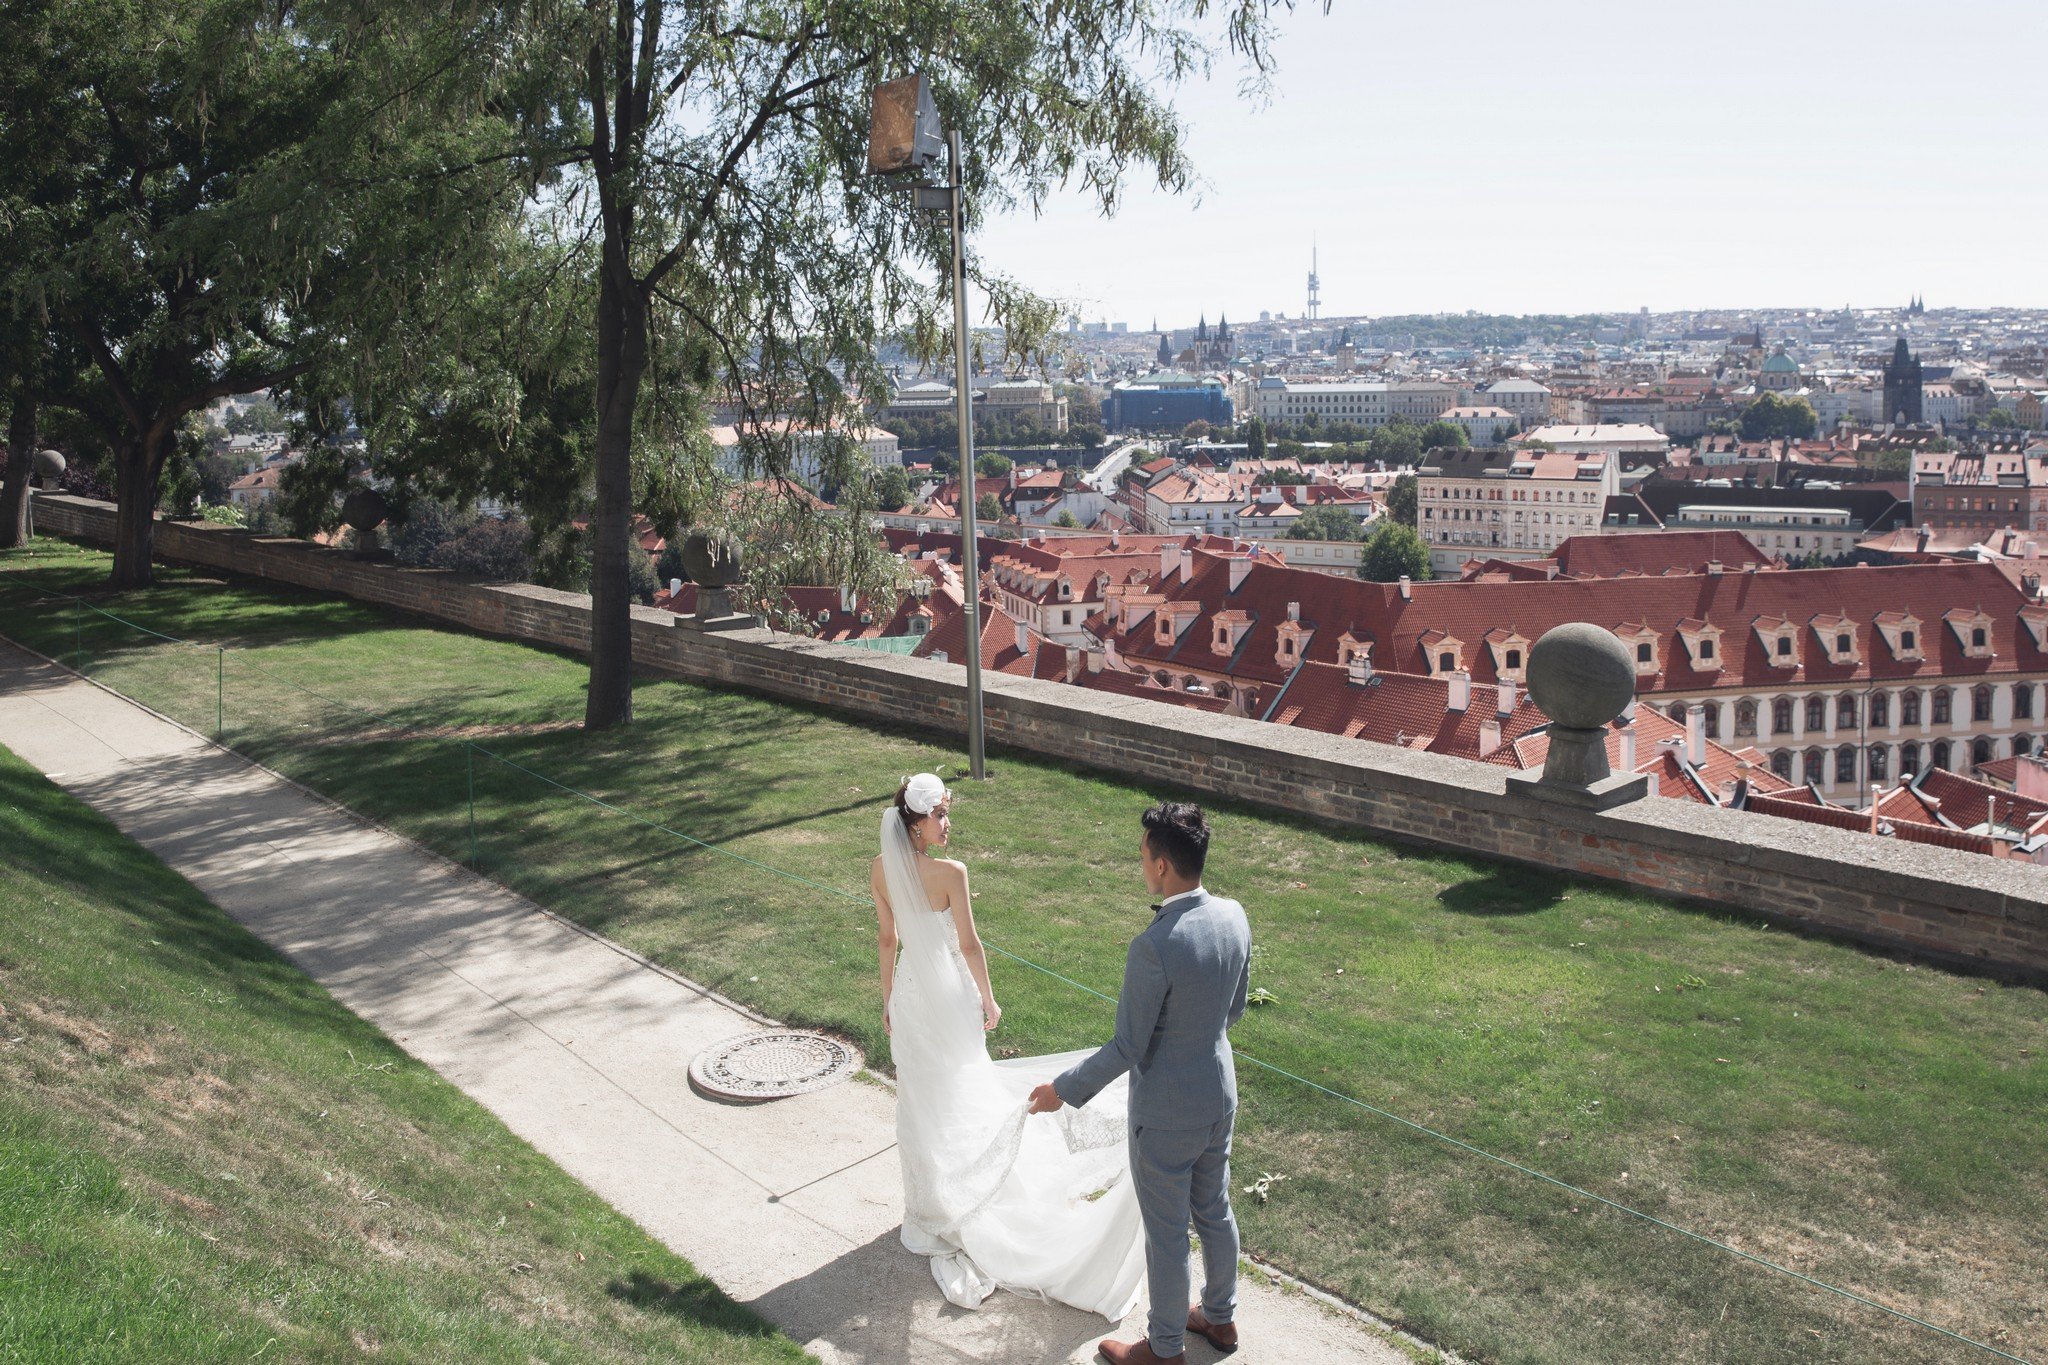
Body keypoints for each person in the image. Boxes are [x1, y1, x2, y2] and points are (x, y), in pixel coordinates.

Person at [872, 773, 1145, 1320]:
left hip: (910, 995)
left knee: (927, 1096)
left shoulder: (880, 868)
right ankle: (971, 1193)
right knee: (957, 1089)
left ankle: (932, 1205)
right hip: (951, 998)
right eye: (940, 815)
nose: (947, 823)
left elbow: (887, 938)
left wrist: (887, 1000)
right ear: (916, 823)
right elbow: (969, 944)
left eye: (947, 813)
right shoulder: (952, 873)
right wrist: (989, 1000)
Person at [1029, 801, 1252, 1365]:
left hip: (1167, 1115)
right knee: (1215, 1209)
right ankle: (1220, 1318)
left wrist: (1062, 1090)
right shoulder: (1234, 916)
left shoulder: (1154, 945)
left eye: (1142, 855)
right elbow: (1234, 1009)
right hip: (1220, 1092)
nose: (1141, 864)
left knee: (1168, 1233)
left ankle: (1165, 1348)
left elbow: (1127, 1047)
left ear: (1161, 866)